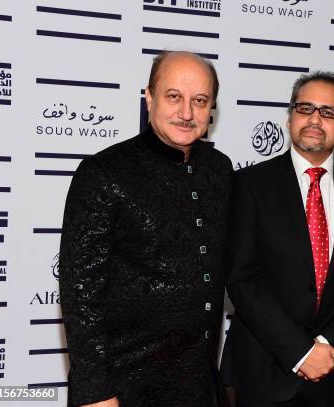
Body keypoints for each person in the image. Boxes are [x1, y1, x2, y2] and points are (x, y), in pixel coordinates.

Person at [59, 51, 232, 407]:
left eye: (199, 101)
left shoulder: (220, 169)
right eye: (173, 97)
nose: (186, 113)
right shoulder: (104, 172)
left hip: (199, 385)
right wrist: (96, 392)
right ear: (149, 97)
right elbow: (80, 292)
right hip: (123, 386)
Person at [221, 71, 334, 407]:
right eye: (305, 108)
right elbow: (242, 278)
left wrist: (326, 345)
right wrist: (300, 352)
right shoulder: (248, 185)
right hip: (263, 370)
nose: (314, 119)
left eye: (328, 112)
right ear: (289, 116)